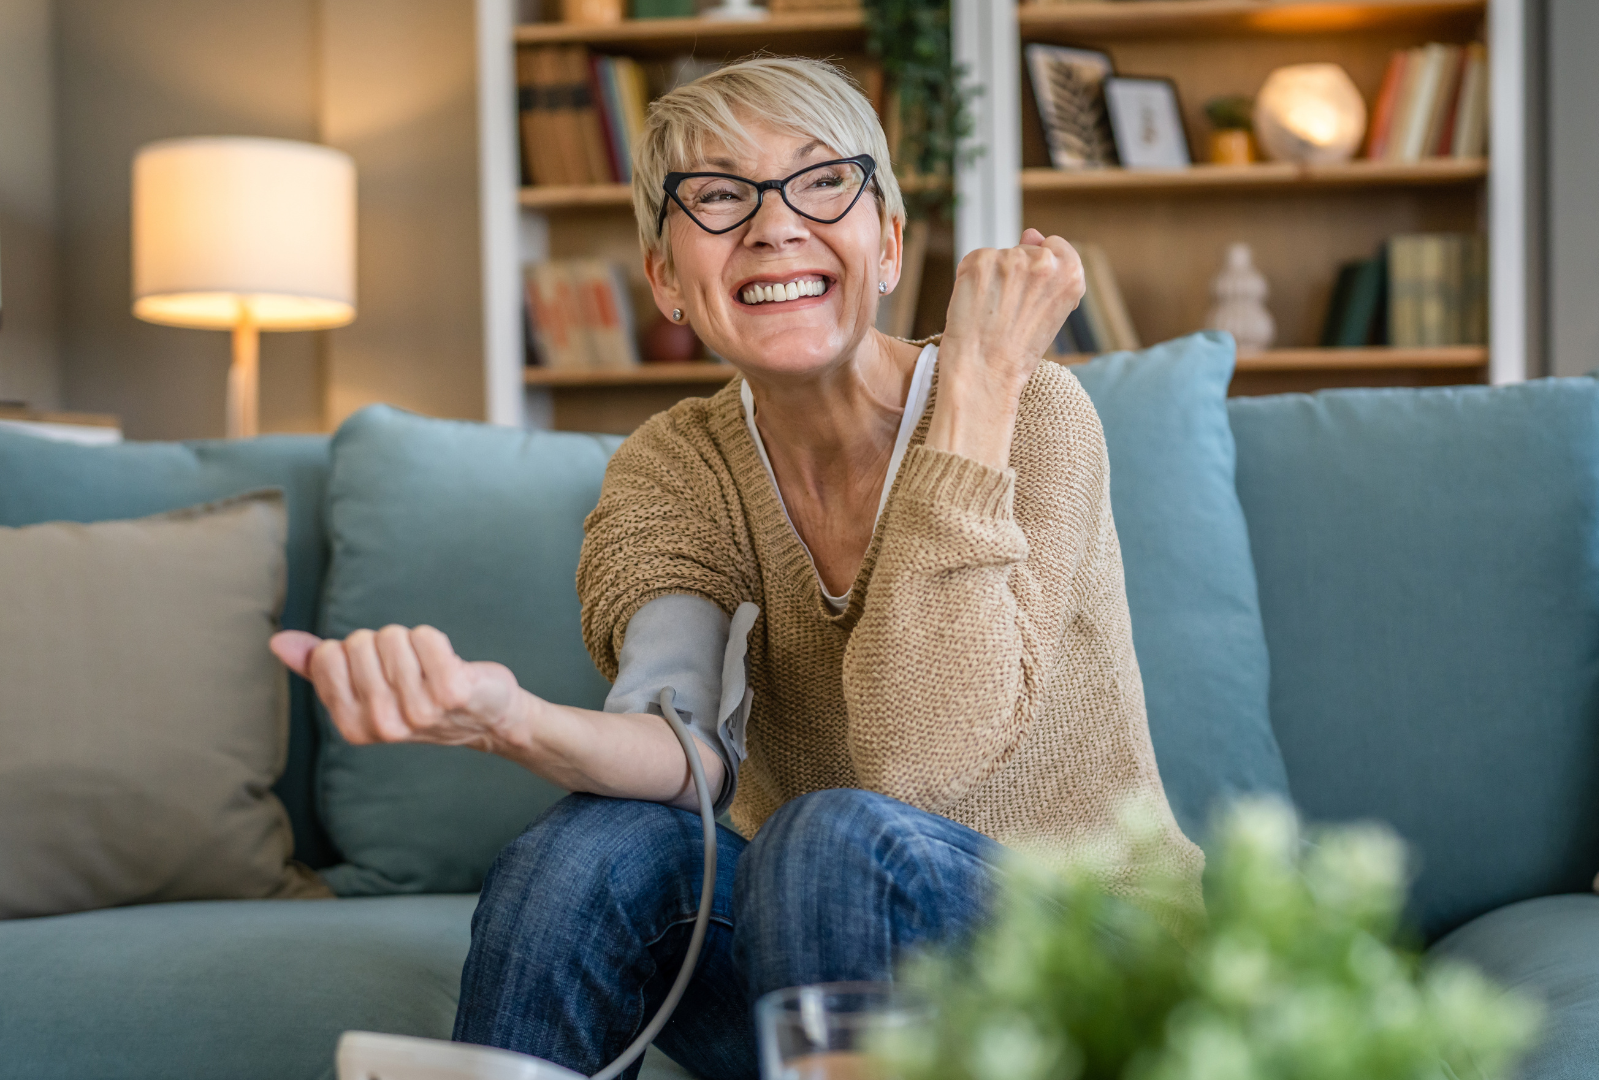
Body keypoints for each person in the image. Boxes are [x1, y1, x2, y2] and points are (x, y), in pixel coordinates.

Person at [269, 56, 1200, 1080]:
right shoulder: (675, 466)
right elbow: (683, 747)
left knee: (835, 839)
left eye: (821, 180)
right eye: (717, 197)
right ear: (667, 278)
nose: (774, 225)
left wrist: (978, 391)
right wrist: (507, 718)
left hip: (1089, 969)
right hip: (816, 955)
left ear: (887, 243)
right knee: (593, 850)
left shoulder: (1035, 416)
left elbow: (919, 768)